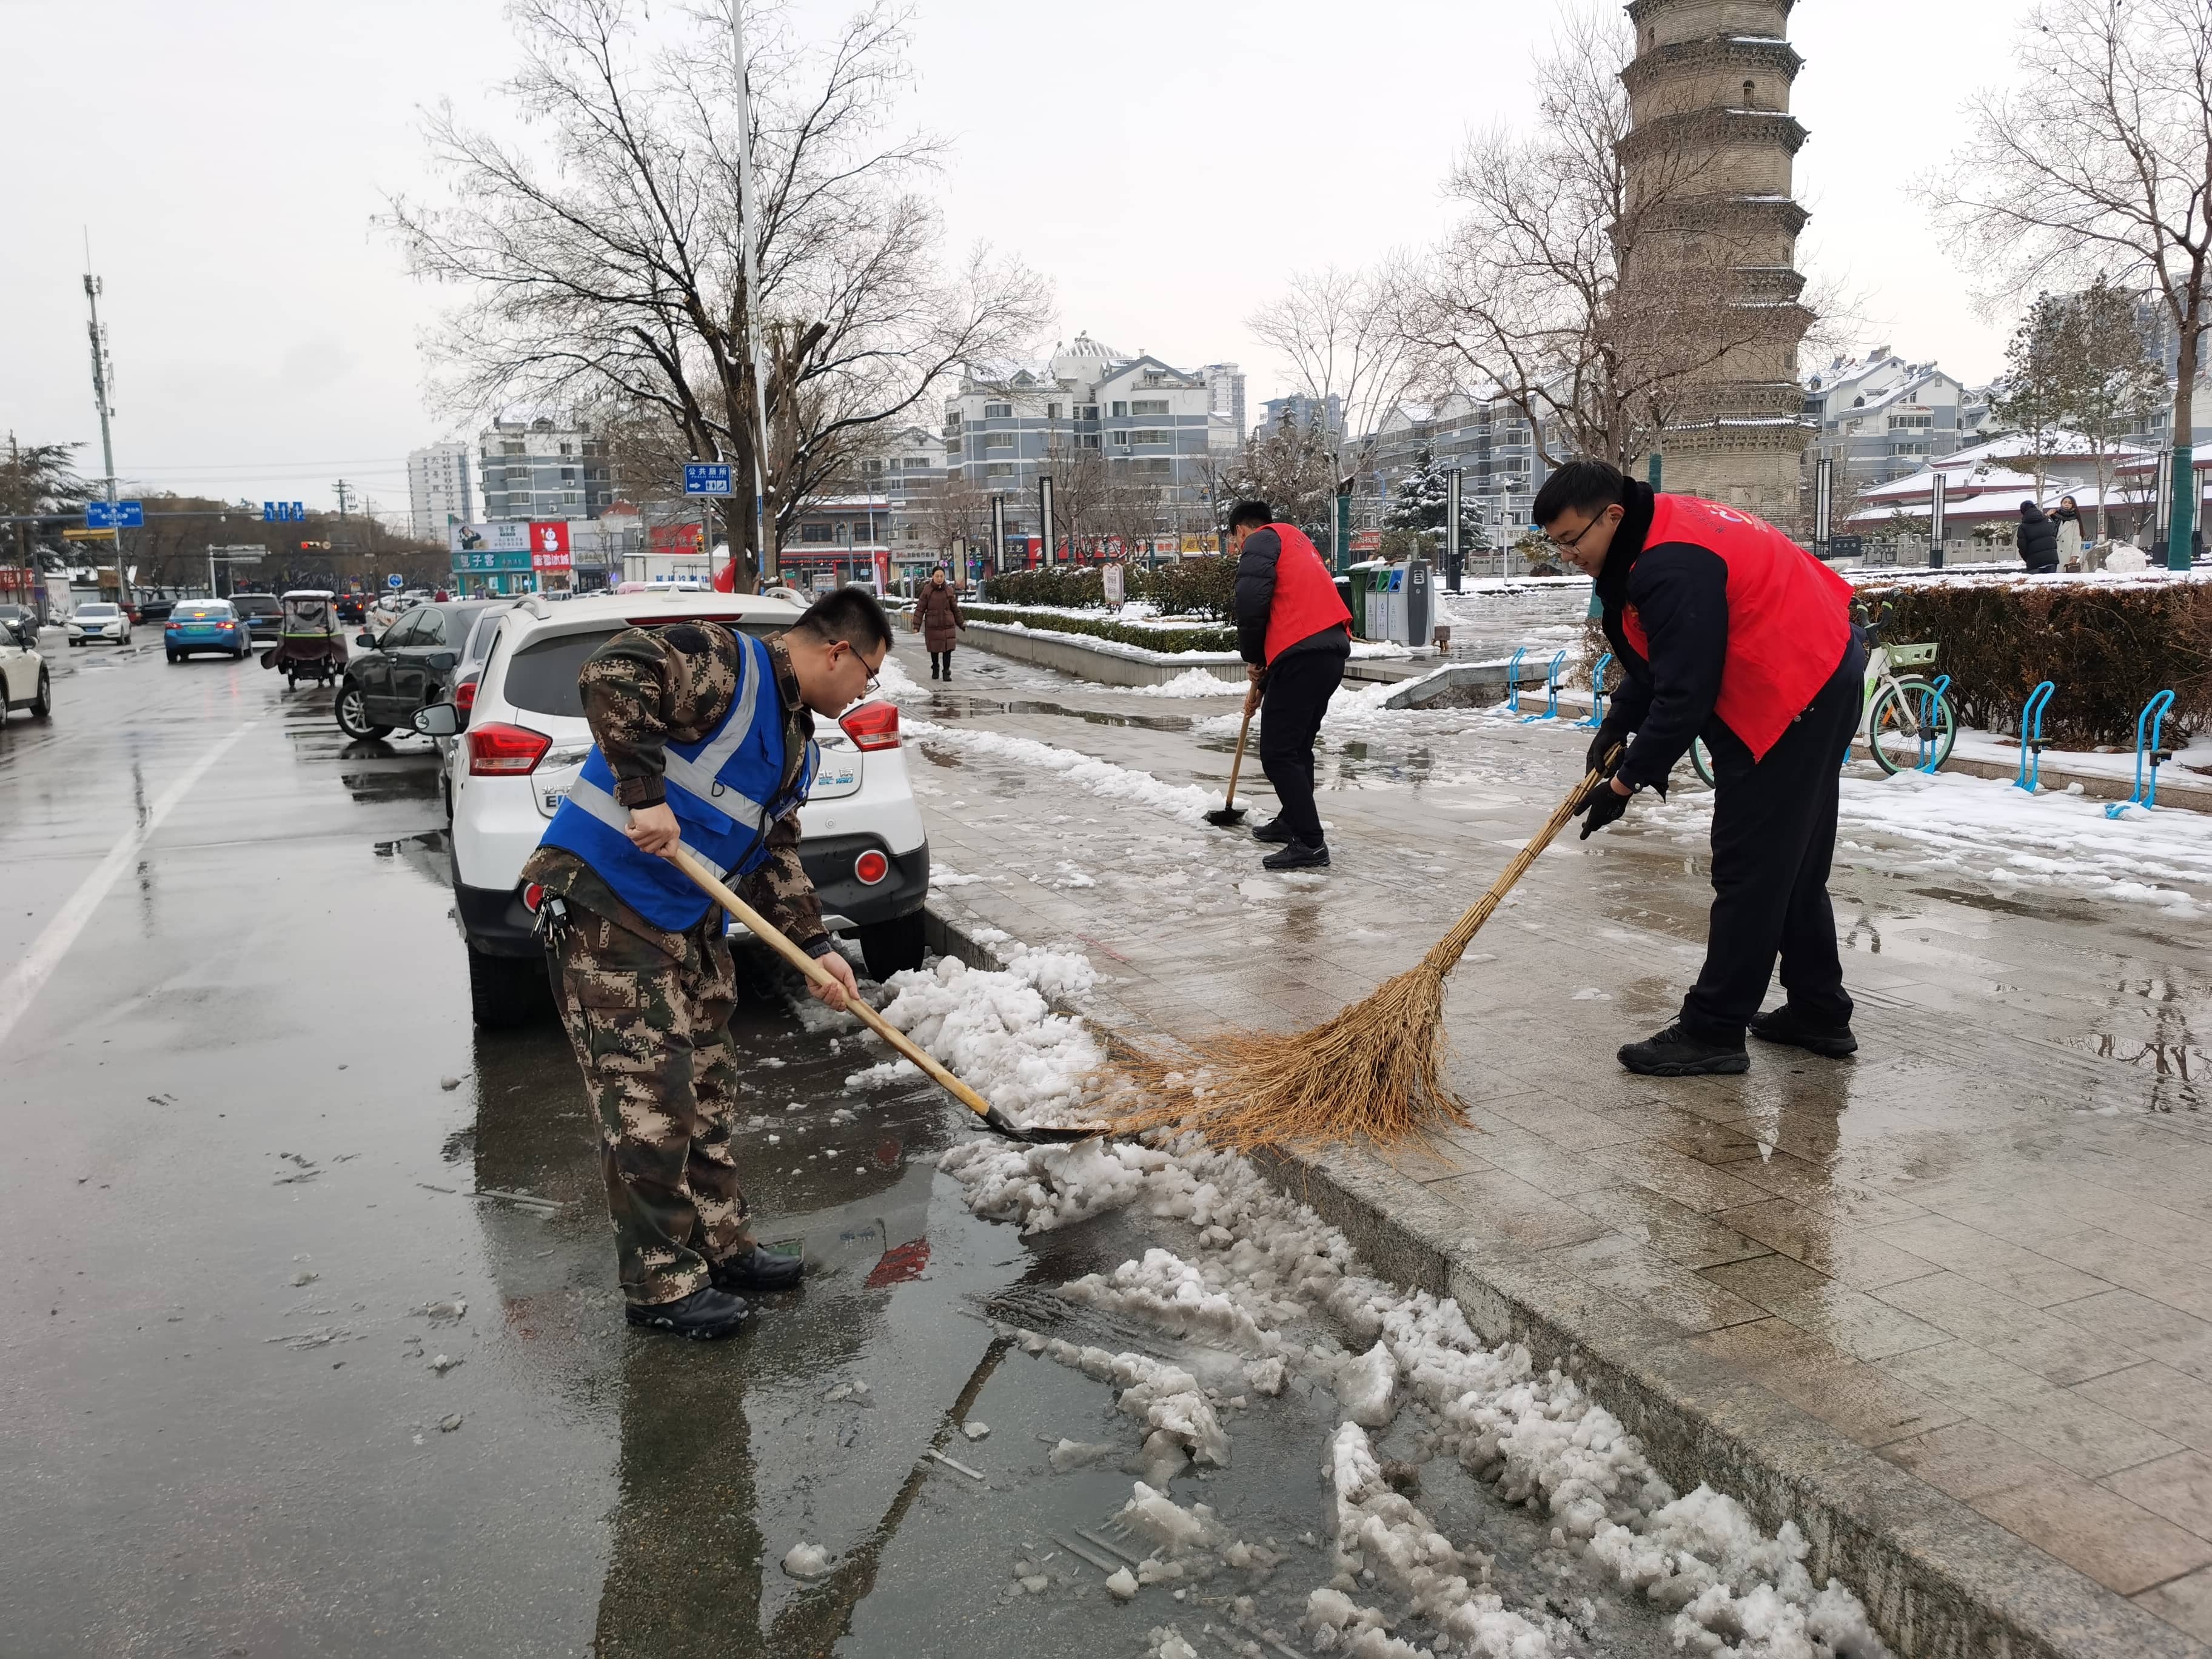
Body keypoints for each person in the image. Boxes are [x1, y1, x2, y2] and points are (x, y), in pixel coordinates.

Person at [521, 586, 891, 1339]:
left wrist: (817, 948)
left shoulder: (797, 744)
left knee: (709, 1089)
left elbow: (775, 855)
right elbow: (611, 673)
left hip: (687, 920)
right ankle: (660, 1287)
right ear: (837, 651)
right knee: (648, 1104)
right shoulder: (725, 661)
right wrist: (643, 790)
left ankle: (720, 1249)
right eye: (869, 676)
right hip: (608, 907)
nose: (864, 694)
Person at [1535, 460, 1863, 1077]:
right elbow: (1667, 653)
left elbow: (1687, 693)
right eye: (1556, 544)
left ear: (1612, 515)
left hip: (1791, 687)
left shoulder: (1669, 564)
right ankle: (1820, 1010)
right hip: (1821, 662)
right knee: (1790, 864)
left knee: (1752, 867)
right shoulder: (1654, 531)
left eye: (1572, 540)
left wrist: (1626, 781)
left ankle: (1713, 1029)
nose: (1567, 555)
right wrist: (1616, 726)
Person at [1227, 500, 1353, 870]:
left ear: (1241, 530)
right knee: (1297, 748)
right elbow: (1288, 605)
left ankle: (1311, 843)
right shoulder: (1296, 541)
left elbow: (1251, 602)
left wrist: (1252, 656)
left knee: (1278, 753)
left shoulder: (1261, 541)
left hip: (1302, 655)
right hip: (1327, 651)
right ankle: (1291, 820)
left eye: (1235, 542)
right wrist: (1264, 677)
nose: (1238, 549)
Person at [915, 565, 964, 680]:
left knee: (948, 650)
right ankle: (935, 667)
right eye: (937, 576)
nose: (939, 578)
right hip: (933, 625)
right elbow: (920, 608)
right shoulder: (928, 590)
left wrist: (961, 623)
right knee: (935, 650)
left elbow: (955, 608)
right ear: (932, 576)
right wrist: (916, 625)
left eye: (942, 576)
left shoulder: (949, 590)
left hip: (947, 625)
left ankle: (946, 672)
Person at [2017, 501, 2059, 573]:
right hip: (2051, 558)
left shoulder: (2023, 527)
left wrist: (2027, 559)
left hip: (2034, 561)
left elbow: (2022, 547)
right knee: (2049, 583)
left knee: (2035, 583)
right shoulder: (2047, 520)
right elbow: (2054, 534)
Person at [2051, 495, 2086, 570]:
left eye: (2070, 503)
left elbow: (2077, 539)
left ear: (2073, 505)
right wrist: (2047, 515)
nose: (2067, 504)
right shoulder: (2054, 517)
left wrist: (2075, 555)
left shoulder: (2075, 521)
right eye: (2065, 502)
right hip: (2053, 551)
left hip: (2067, 553)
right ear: (2061, 504)